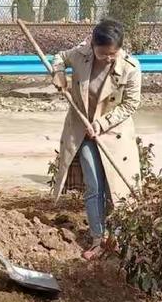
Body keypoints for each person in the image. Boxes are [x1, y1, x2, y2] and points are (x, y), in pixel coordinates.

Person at [52, 19, 141, 260]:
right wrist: (58, 73)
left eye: (113, 54)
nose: (109, 58)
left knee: (118, 190)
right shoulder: (81, 55)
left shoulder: (131, 67)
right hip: (83, 131)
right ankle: (97, 239)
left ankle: (118, 239)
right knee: (94, 187)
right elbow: (60, 57)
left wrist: (101, 124)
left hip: (113, 134)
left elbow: (131, 103)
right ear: (93, 45)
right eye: (104, 53)